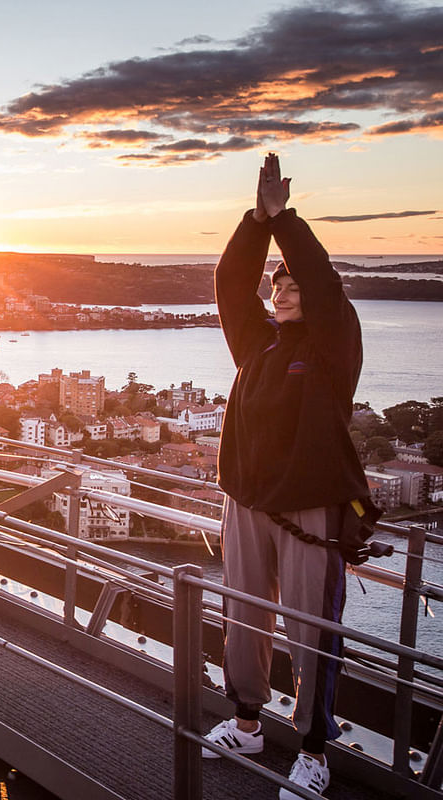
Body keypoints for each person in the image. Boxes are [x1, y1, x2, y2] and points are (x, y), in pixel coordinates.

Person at [204, 153, 369, 800]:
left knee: (311, 632)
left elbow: (325, 285)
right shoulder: (257, 341)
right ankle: (246, 722)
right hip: (245, 502)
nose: (283, 288)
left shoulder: (332, 347)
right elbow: (227, 281)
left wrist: (285, 220)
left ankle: (313, 751)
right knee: (242, 620)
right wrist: (254, 222)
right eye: (277, 283)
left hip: (309, 511)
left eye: (292, 282)